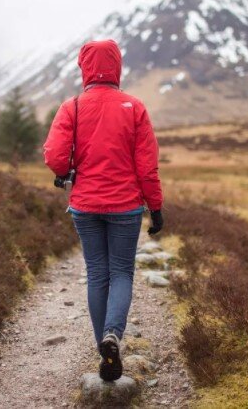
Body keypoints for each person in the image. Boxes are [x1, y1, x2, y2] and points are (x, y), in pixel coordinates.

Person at [43, 39, 164, 382]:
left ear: (84, 67)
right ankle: (114, 336)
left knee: (97, 274)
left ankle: (104, 349)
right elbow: (147, 168)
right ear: (117, 67)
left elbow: (54, 155)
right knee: (122, 273)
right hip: (126, 207)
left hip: (84, 205)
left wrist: (64, 173)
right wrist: (155, 208)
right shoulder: (134, 106)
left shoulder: (73, 107)